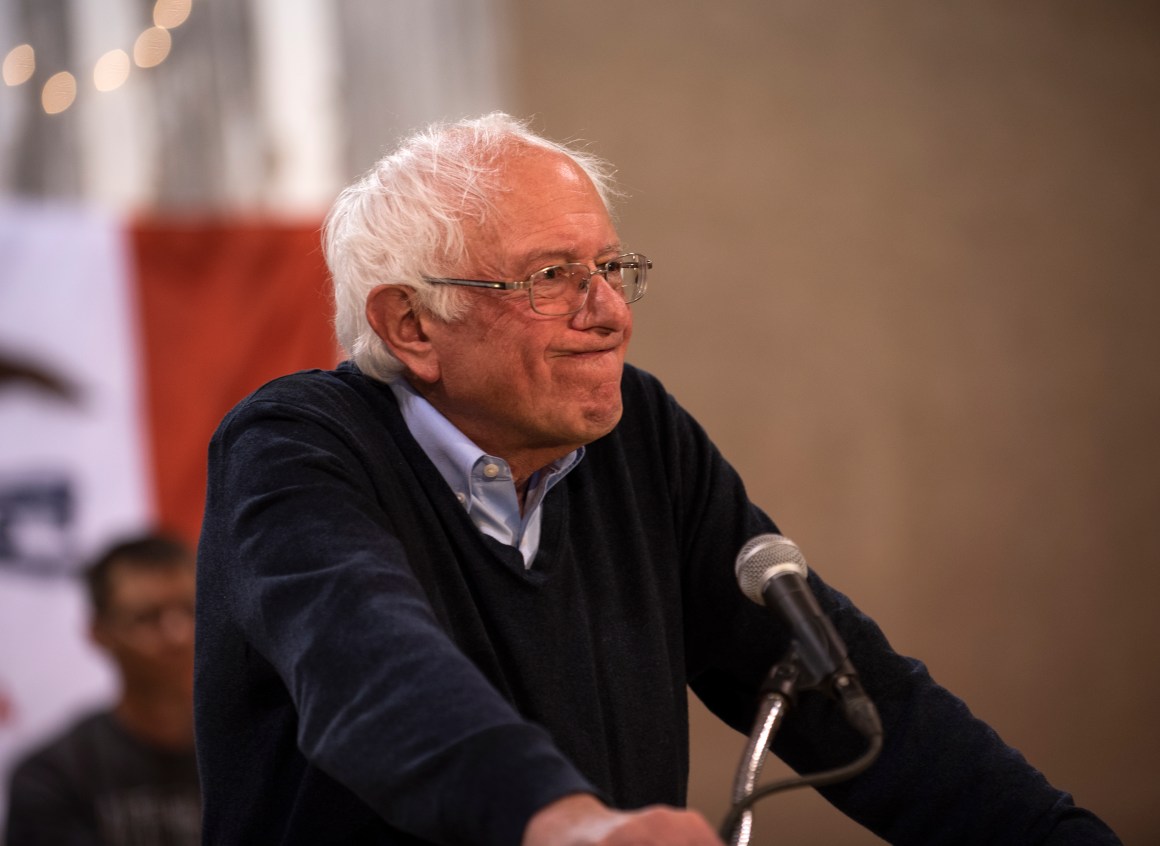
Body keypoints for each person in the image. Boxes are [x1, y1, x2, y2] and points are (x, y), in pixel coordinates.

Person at [194, 113, 1121, 845]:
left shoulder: (639, 439)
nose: (606, 313)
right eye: (552, 276)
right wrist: (569, 823)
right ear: (410, 328)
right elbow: (373, 665)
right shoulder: (295, 445)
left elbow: (852, 697)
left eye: (609, 268)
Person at [5, 532, 201, 845]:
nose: (178, 635)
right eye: (148, 618)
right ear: (99, 633)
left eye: (193, 610)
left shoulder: (262, 754)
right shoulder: (54, 776)